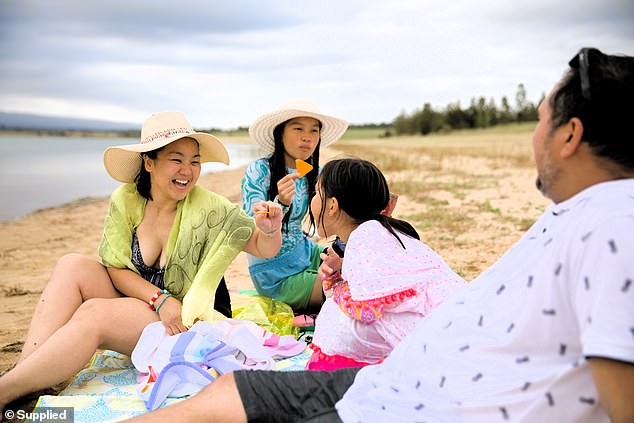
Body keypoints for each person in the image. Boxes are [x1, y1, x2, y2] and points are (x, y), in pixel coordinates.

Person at [125, 47, 634, 423]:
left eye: (541, 120)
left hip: (429, 402)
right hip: (401, 380)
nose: (533, 135)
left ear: (569, 136)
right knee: (227, 396)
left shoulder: (613, 225)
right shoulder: (582, 214)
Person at [0, 111, 284, 411]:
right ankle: (22, 374)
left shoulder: (210, 208)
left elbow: (262, 247)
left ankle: (6, 390)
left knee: (95, 312)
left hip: (182, 320)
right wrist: (159, 299)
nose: (187, 170)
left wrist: (270, 230)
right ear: (149, 162)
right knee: (72, 264)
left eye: (195, 161)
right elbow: (114, 267)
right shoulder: (126, 200)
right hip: (150, 305)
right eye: (176, 159)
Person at [306, 158, 463, 371]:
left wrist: (337, 287)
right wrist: (341, 269)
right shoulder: (383, 230)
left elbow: (366, 310)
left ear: (332, 205)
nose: (313, 199)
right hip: (452, 317)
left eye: (317, 193)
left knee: (333, 315)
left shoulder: (365, 236)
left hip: (434, 335)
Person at [241, 99, 348, 312]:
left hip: (306, 253)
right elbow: (248, 229)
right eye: (298, 128)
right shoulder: (259, 172)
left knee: (360, 266)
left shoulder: (314, 175)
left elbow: (334, 217)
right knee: (345, 290)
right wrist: (280, 202)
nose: (307, 137)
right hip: (274, 273)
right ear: (280, 133)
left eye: (313, 131)